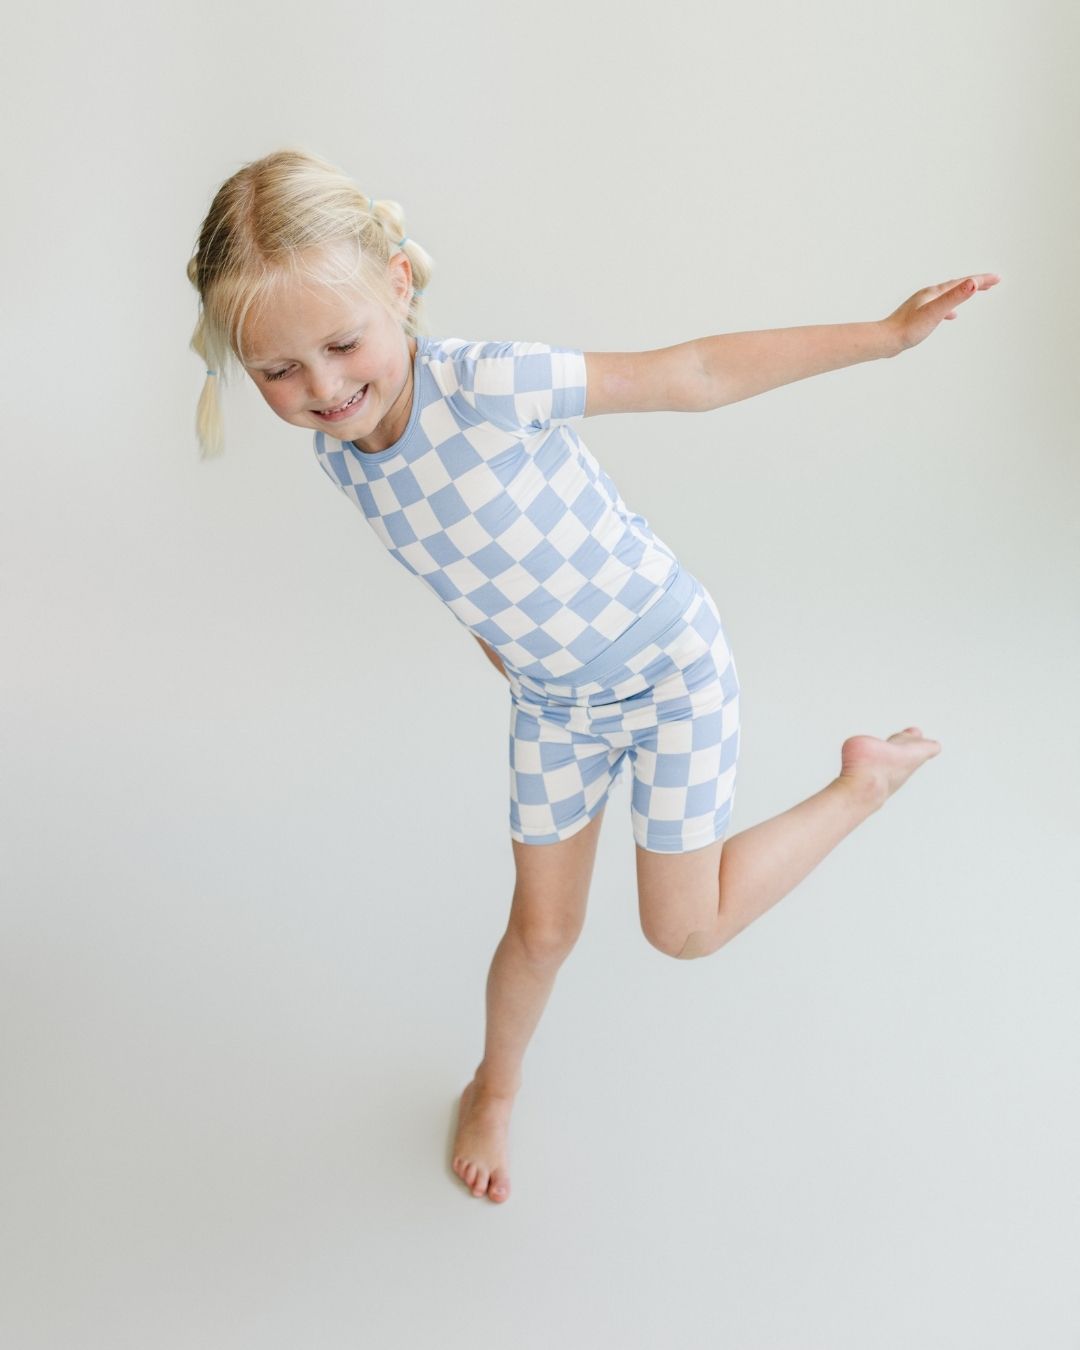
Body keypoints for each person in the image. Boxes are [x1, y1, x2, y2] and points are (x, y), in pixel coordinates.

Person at [187, 147, 999, 1207]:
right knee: (541, 931)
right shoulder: (340, 454)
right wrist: (513, 660)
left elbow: (693, 374)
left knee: (685, 929)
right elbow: (458, 561)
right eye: (279, 371)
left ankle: (864, 782)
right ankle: (496, 1085)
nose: (323, 388)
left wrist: (885, 338)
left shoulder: (485, 383)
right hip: (554, 703)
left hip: (669, 671)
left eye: (341, 345)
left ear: (397, 285)